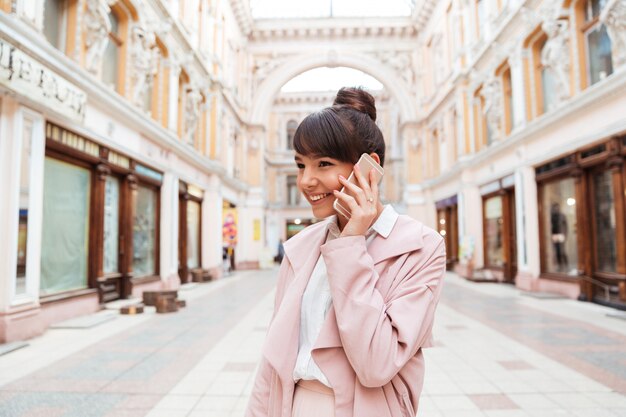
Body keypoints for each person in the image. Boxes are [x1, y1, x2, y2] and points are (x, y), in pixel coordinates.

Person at [245, 87, 446, 417]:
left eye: (323, 164)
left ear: (370, 167)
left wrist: (350, 244)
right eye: (300, 165)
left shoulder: (421, 248)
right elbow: (272, 363)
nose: (307, 181)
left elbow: (376, 364)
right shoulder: (301, 248)